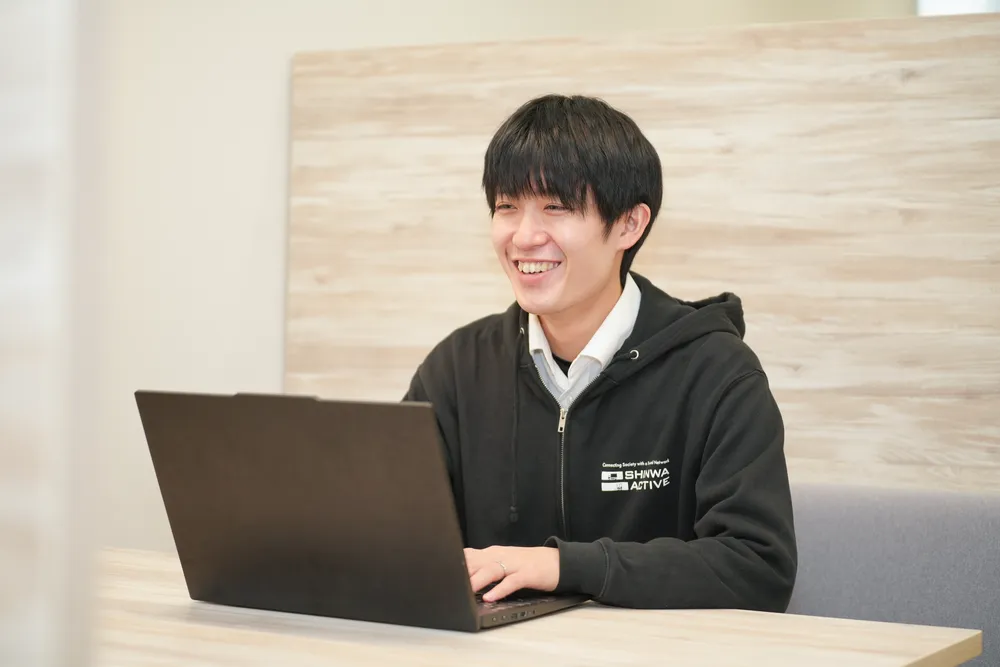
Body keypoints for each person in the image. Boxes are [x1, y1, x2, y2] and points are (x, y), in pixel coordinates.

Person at [403, 93, 797, 611]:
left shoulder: (715, 371)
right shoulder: (456, 370)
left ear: (629, 224)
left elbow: (758, 567)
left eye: (556, 207)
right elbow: (390, 537)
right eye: (506, 207)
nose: (524, 236)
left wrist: (565, 567)